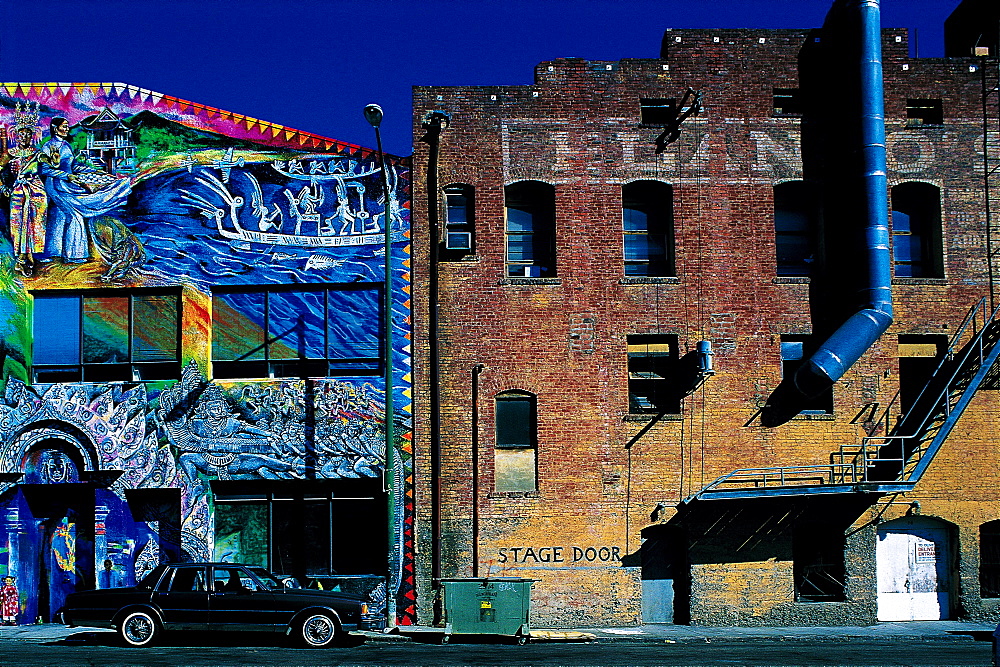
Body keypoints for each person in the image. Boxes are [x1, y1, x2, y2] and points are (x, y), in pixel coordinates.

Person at [39, 116, 131, 263]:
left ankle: (52, 252)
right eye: (64, 126)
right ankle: (74, 255)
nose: (67, 128)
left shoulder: (66, 145)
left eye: (68, 126)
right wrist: (67, 176)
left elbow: (73, 165)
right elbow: (45, 169)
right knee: (74, 215)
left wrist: (93, 171)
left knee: (58, 216)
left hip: (67, 184)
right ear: (55, 128)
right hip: (56, 185)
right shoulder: (48, 146)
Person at [0, 105, 49, 276]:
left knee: (35, 222)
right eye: (22, 133)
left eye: (28, 133)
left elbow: (50, 161)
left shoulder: (37, 152)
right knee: (19, 222)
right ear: (17, 134)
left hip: (36, 190)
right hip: (18, 190)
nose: (25, 136)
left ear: (32, 135)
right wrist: (2, 186)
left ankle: (30, 254)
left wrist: (54, 158)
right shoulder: (10, 154)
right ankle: (21, 258)